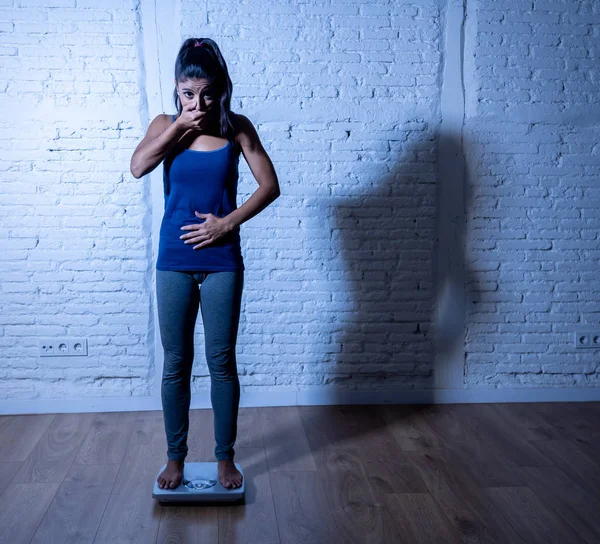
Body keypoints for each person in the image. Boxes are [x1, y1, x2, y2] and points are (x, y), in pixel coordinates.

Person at [130, 37, 280, 490]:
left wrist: (227, 224)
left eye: (207, 92)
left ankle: (224, 459)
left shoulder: (236, 126)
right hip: (173, 261)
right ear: (177, 88)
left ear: (221, 88)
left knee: (221, 361)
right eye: (188, 92)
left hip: (222, 262)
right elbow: (138, 167)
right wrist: (178, 127)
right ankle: (175, 458)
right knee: (175, 362)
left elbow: (269, 185)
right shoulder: (165, 124)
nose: (198, 101)